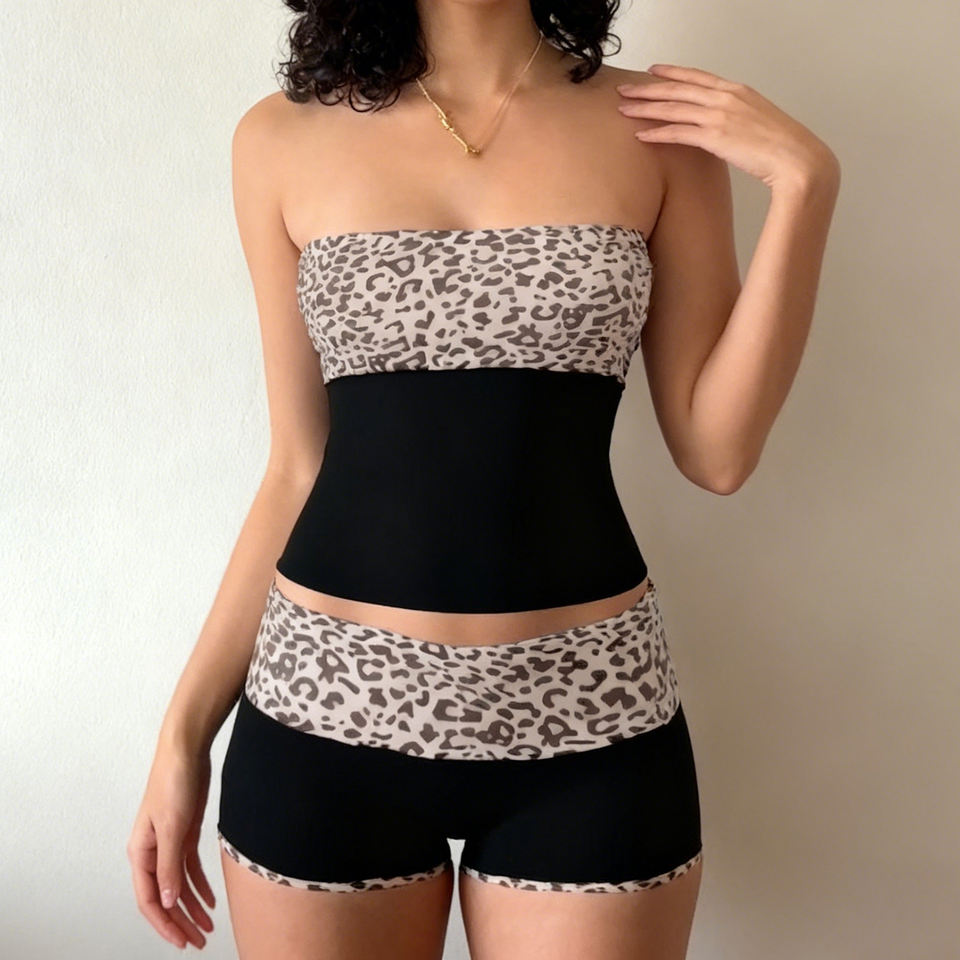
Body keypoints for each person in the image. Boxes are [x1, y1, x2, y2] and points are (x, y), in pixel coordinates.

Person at [127, 1, 840, 957]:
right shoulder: (278, 138)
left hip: (591, 717)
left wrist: (805, 186)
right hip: (325, 718)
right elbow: (297, 465)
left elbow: (718, 453)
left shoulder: (660, 130)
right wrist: (182, 737)